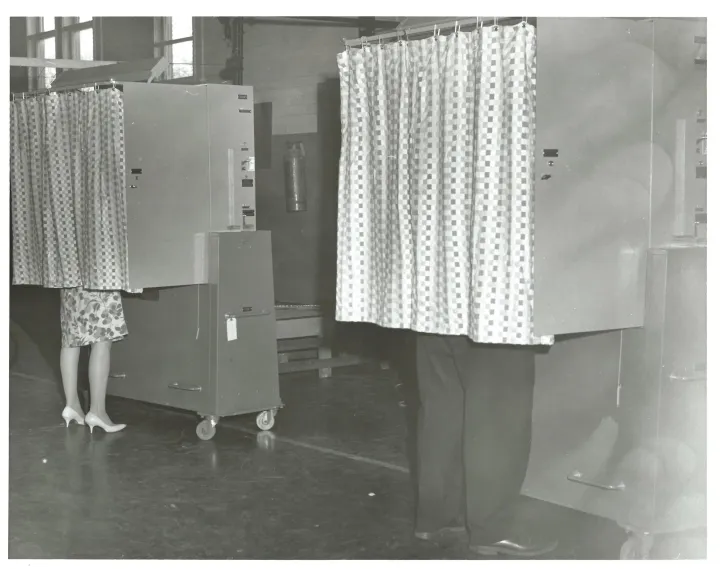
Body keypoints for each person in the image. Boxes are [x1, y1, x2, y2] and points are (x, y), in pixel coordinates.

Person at [412, 333, 557, 558]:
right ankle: (493, 528)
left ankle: (440, 516)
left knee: (444, 403)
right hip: (494, 308)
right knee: (499, 404)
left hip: (437, 306)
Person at [59, 287, 128, 433]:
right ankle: (97, 411)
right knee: (102, 340)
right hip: (99, 278)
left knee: (71, 339)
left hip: (70, 279)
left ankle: (71, 405)